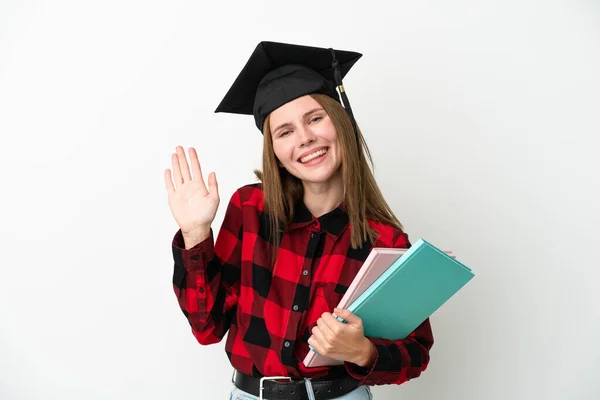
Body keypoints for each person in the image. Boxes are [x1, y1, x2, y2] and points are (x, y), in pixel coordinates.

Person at [165, 41, 434, 400]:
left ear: (340, 122)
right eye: (285, 131)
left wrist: (362, 352)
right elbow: (207, 328)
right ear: (274, 150)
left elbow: (415, 351)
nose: (305, 139)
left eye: (315, 118)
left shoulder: (384, 241)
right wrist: (196, 234)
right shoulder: (249, 208)